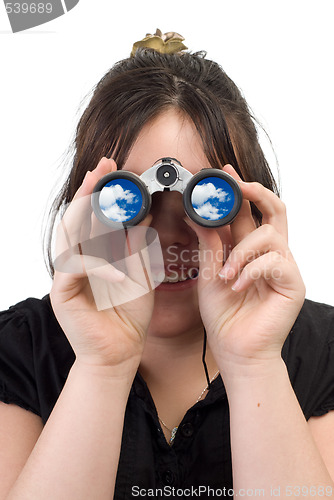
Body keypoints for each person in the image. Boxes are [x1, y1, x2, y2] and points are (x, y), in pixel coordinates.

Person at [1, 29, 334, 499]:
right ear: (84, 210)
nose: (169, 235)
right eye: (127, 201)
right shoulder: (18, 349)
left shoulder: (322, 350)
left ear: (253, 205)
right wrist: (102, 365)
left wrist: (256, 362)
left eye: (208, 200)